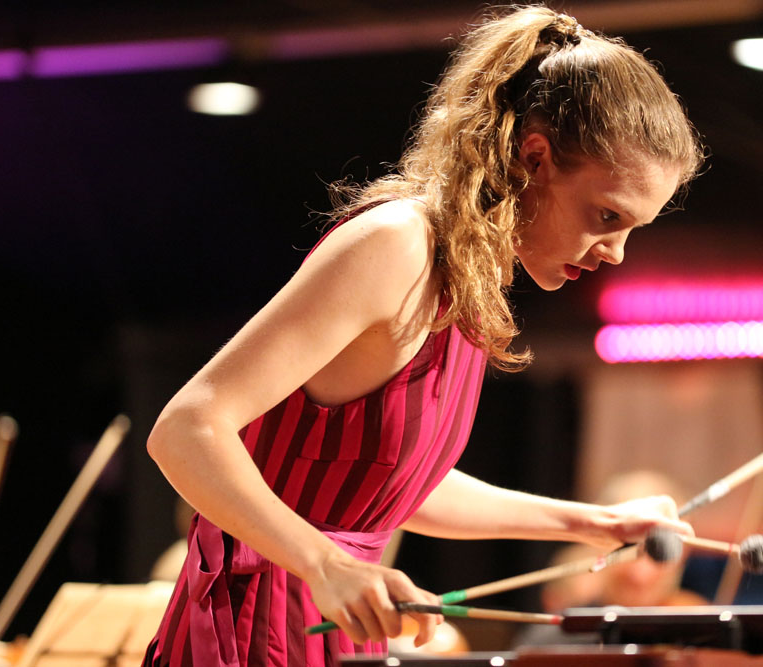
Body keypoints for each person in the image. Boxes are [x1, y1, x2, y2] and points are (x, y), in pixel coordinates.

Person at [143, 6, 703, 666]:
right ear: (534, 158)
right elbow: (186, 427)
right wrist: (324, 563)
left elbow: (402, 485)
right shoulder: (397, 245)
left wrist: (595, 523)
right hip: (252, 626)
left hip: (331, 619)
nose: (616, 252)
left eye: (633, 228)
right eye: (607, 215)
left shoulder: (463, 276)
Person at [514, 471, 707, 648]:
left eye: (660, 552)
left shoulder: (702, 636)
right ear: (596, 542)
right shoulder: (550, 642)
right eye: (628, 548)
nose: (640, 575)